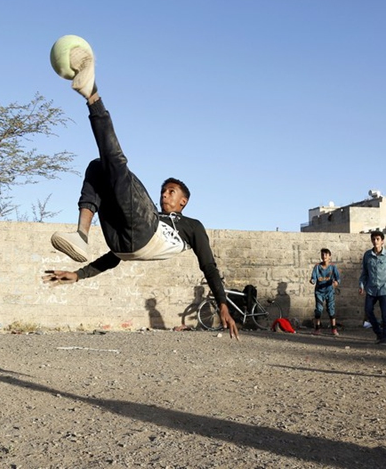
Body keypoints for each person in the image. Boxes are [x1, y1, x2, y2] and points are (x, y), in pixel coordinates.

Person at [41, 35, 238, 340]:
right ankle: (81, 235)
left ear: (184, 201)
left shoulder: (191, 226)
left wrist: (222, 303)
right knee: (98, 166)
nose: (164, 194)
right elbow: (114, 257)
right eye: (164, 190)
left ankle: (92, 94)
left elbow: (208, 266)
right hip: (121, 242)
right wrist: (78, 275)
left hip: (146, 235)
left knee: (117, 164)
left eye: (172, 192)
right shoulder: (150, 214)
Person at [309, 248, 341, 335]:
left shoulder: (333, 267)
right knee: (318, 309)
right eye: (322, 255)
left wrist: (336, 282)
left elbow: (338, 278)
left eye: (326, 255)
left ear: (329, 256)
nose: (324, 256)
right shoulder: (317, 267)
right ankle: (317, 329)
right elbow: (313, 278)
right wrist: (312, 280)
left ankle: (334, 329)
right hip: (319, 292)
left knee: (331, 309)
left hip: (329, 291)